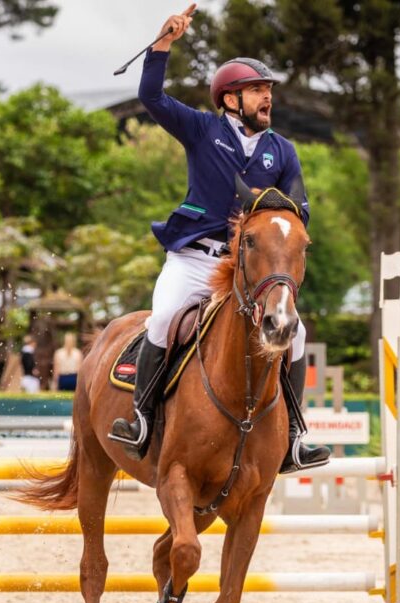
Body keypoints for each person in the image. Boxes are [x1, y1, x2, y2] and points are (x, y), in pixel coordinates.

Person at [108, 10, 328, 474]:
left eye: (268, 90)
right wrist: (163, 44)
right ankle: (142, 420)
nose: (267, 97)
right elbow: (151, 96)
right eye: (257, 90)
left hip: (252, 268)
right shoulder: (202, 130)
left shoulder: (282, 150)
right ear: (231, 99)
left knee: (298, 332)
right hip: (195, 259)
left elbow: (299, 208)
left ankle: (294, 436)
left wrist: (269, 219)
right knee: (165, 317)